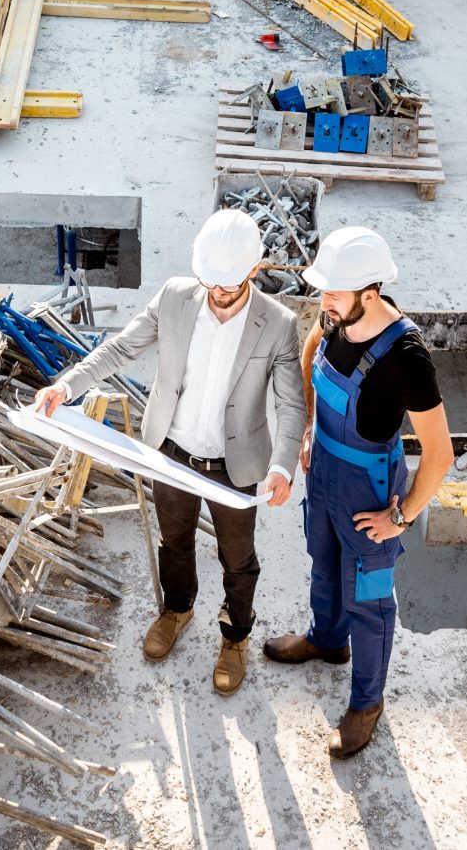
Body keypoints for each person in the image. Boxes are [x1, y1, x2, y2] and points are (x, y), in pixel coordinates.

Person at [37, 210, 308, 695]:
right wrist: (68, 385)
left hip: (237, 466)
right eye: (211, 283)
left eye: (228, 285)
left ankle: (235, 636)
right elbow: (120, 349)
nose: (218, 293)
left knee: (237, 557)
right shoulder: (176, 298)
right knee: (175, 540)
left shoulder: (279, 324)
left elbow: (291, 405)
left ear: (253, 270)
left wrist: (282, 466)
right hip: (172, 453)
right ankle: (177, 609)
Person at [263, 226, 453, 759]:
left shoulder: (406, 357)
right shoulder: (334, 318)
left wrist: (402, 516)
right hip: (324, 473)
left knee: (368, 600)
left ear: (369, 294)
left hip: (369, 491)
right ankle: (326, 640)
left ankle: (366, 705)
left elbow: (440, 454)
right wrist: (306, 427)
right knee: (323, 565)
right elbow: (310, 354)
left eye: (334, 293)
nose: (323, 303)